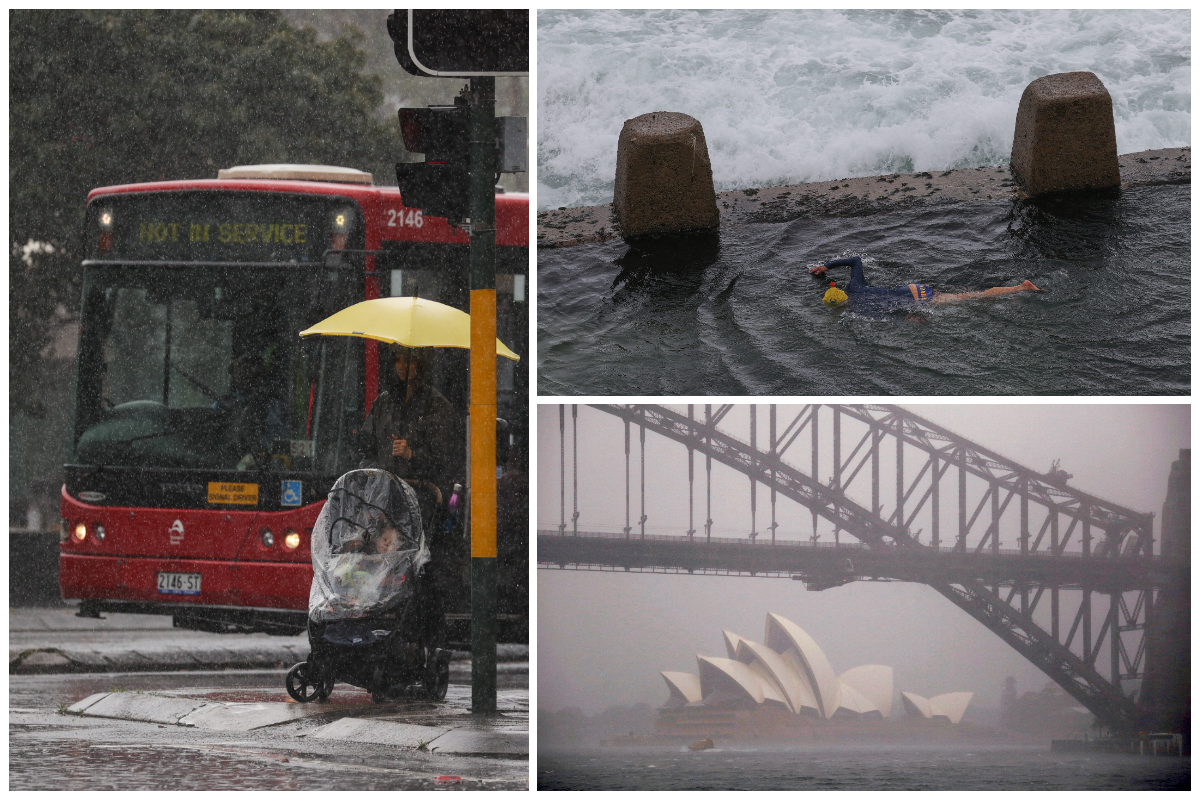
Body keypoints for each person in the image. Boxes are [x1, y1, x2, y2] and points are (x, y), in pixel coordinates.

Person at [357, 344, 458, 509]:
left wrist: (412, 456)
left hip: (422, 504)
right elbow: (366, 450)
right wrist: (379, 477)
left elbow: (444, 462)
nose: (402, 366)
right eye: (398, 360)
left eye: (409, 360)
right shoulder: (383, 402)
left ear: (421, 364)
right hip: (382, 503)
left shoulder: (437, 406)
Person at [810, 256, 1040, 312]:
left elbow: (893, 313)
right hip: (912, 288)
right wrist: (827, 266)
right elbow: (855, 261)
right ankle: (1020, 286)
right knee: (964, 294)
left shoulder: (859, 309)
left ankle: (1021, 287)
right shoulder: (854, 288)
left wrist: (913, 317)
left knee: (973, 296)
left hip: (916, 299)